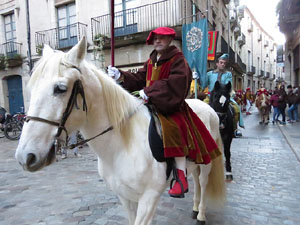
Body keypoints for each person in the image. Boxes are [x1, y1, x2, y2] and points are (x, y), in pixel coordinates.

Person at [108, 27, 221, 198]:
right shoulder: (152, 59)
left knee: (172, 128)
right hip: (151, 102)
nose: (157, 41)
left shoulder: (178, 59)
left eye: (161, 38)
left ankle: (180, 177)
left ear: (169, 40)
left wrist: (150, 91)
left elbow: (176, 82)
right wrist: (121, 76)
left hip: (170, 105)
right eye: (155, 39)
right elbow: (140, 78)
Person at [202, 54, 244, 137]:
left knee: (236, 108)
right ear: (217, 63)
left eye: (224, 63)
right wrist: (199, 78)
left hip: (223, 96)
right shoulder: (209, 74)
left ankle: (234, 129)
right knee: (202, 108)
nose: (223, 64)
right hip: (211, 96)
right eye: (221, 62)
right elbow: (204, 84)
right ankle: (202, 128)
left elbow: (229, 85)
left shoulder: (228, 74)